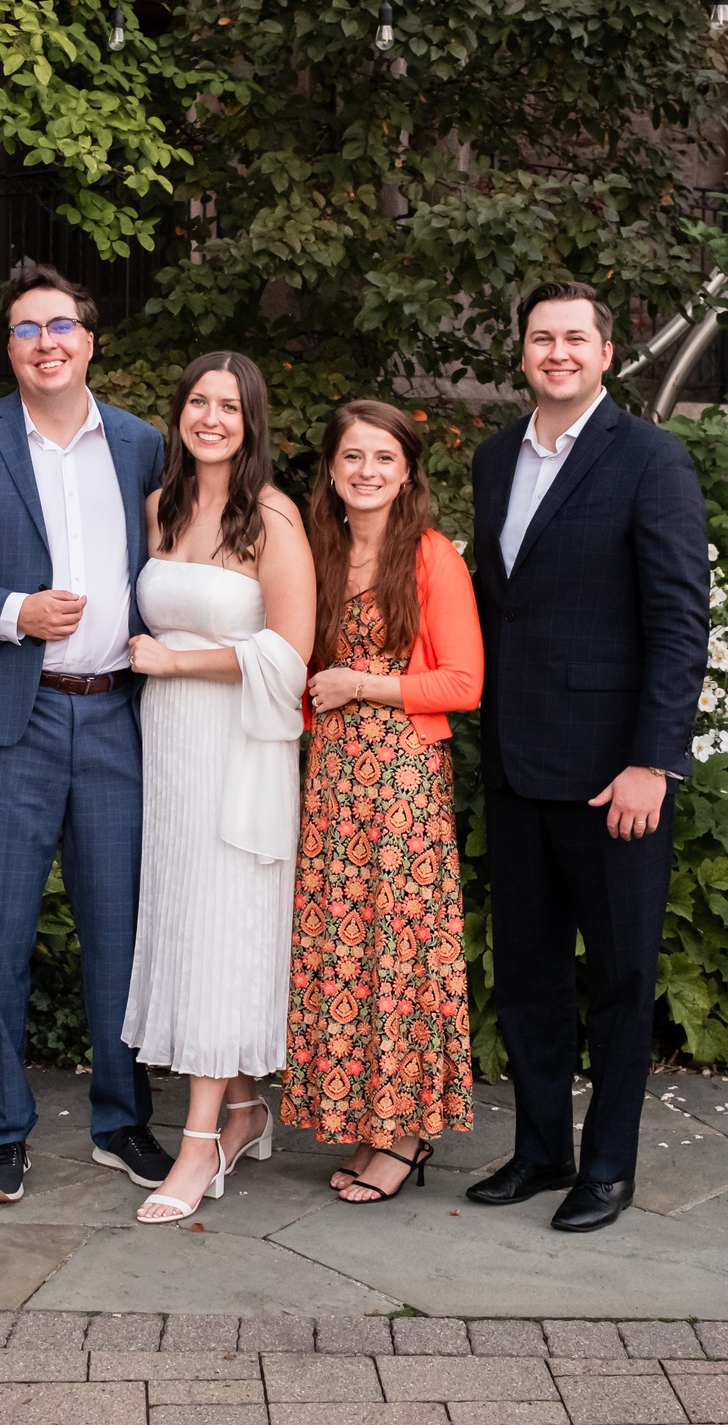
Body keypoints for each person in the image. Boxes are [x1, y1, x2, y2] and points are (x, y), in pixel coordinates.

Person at [0, 264, 172, 1204]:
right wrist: (15, 610)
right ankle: (3, 1129)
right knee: (4, 933)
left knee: (117, 934)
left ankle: (121, 1119)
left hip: (115, 716)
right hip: (3, 722)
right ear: (8, 348)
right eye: (26, 329)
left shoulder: (142, 445)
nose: (46, 341)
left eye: (62, 325)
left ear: (91, 340)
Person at [467, 280, 710, 1232]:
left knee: (617, 978)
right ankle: (538, 1151)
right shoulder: (496, 460)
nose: (557, 352)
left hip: (617, 776)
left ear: (608, 353)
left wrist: (655, 759)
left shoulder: (650, 460)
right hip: (519, 767)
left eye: (575, 338)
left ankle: (607, 1167)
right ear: (522, 354)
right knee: (527, 973)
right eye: (541, 338)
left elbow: (680, 621)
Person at [122, 352, 316, 1224]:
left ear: (251, 422)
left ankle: (196, 1145)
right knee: (188, 925)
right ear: (180, 412)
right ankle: (239, 1109)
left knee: (220, 930)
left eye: (228, 407)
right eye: (197, 400)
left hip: (239, 747)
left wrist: (177, 660)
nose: (210, 417)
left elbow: (290, 655)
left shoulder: (273, 516)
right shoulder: (159, 507)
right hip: (166, 749)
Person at [279, 400, 484, 1204]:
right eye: (351, 458)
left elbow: (465, 682)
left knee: (398, 953)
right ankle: (372, 1123)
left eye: (383, 459)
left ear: (408, 473)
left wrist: (361, 684)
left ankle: (405, 1134)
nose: (366, 472)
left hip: (402, 782)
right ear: (330, 470)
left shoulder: (430, 556)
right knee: (347, 952)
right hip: (331, 779)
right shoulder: (316, 552)